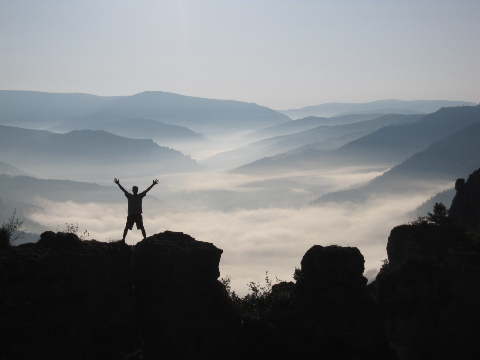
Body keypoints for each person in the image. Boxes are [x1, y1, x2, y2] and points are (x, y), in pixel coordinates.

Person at [114, 178, 158, 242]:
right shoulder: (134, 196)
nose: (135, 191)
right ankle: (124, 239)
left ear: (136, 190)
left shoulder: (133, 196)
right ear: (133, 190)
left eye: (135, 190)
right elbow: (123, 190)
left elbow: (146, 190)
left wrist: (153, 184)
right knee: (129, 227)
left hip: (136, 215)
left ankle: (144, 238)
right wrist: (118, 184)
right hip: (133, 215)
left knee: (139, 227)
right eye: (134, 190)